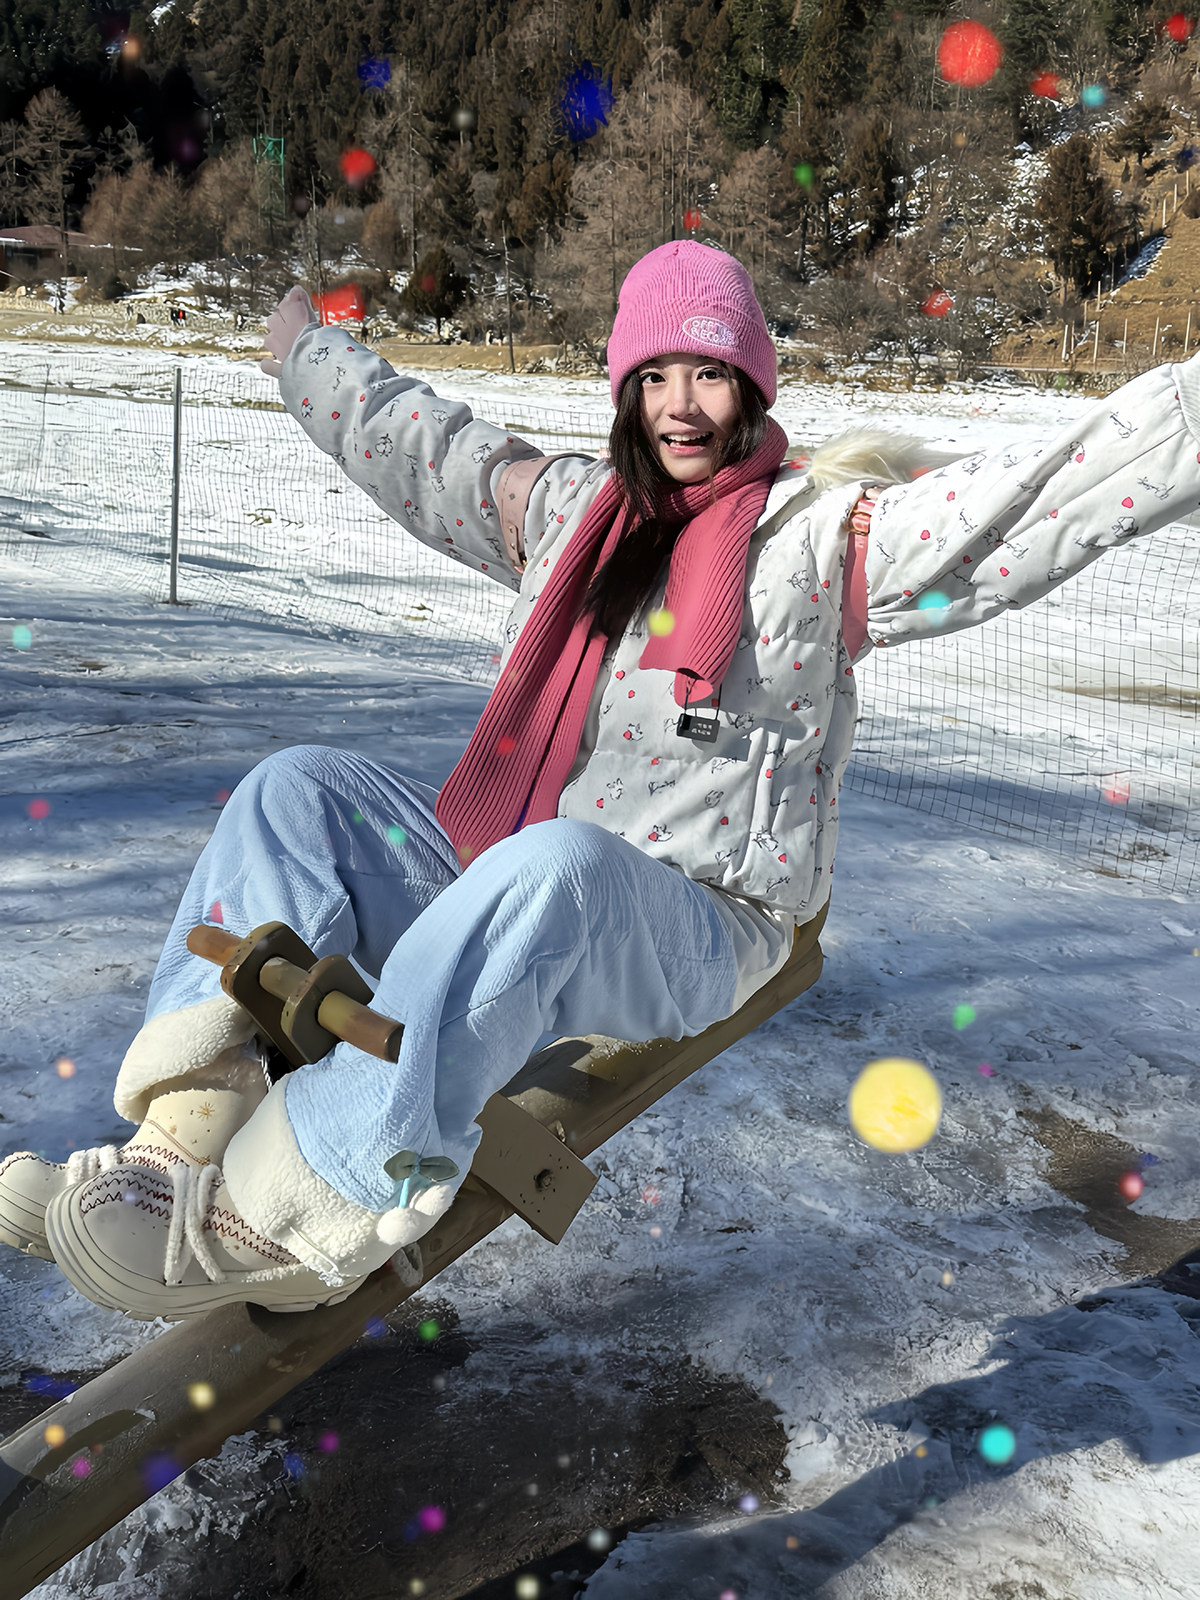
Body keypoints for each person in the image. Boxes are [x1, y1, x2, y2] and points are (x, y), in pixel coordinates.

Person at [2, 242, 1197, 1322]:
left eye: (712, 373)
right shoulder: (571, 511)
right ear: (626, 389)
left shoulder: (823, 542)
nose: (682, 403)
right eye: (656, 374)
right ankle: (181, 1137)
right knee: (296, 789)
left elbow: (1041, 498)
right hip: (516, 872)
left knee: (558, 869)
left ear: (752, 387)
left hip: (697, 919)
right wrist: (306, 350)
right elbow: (422, 445)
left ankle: (289, 1205)